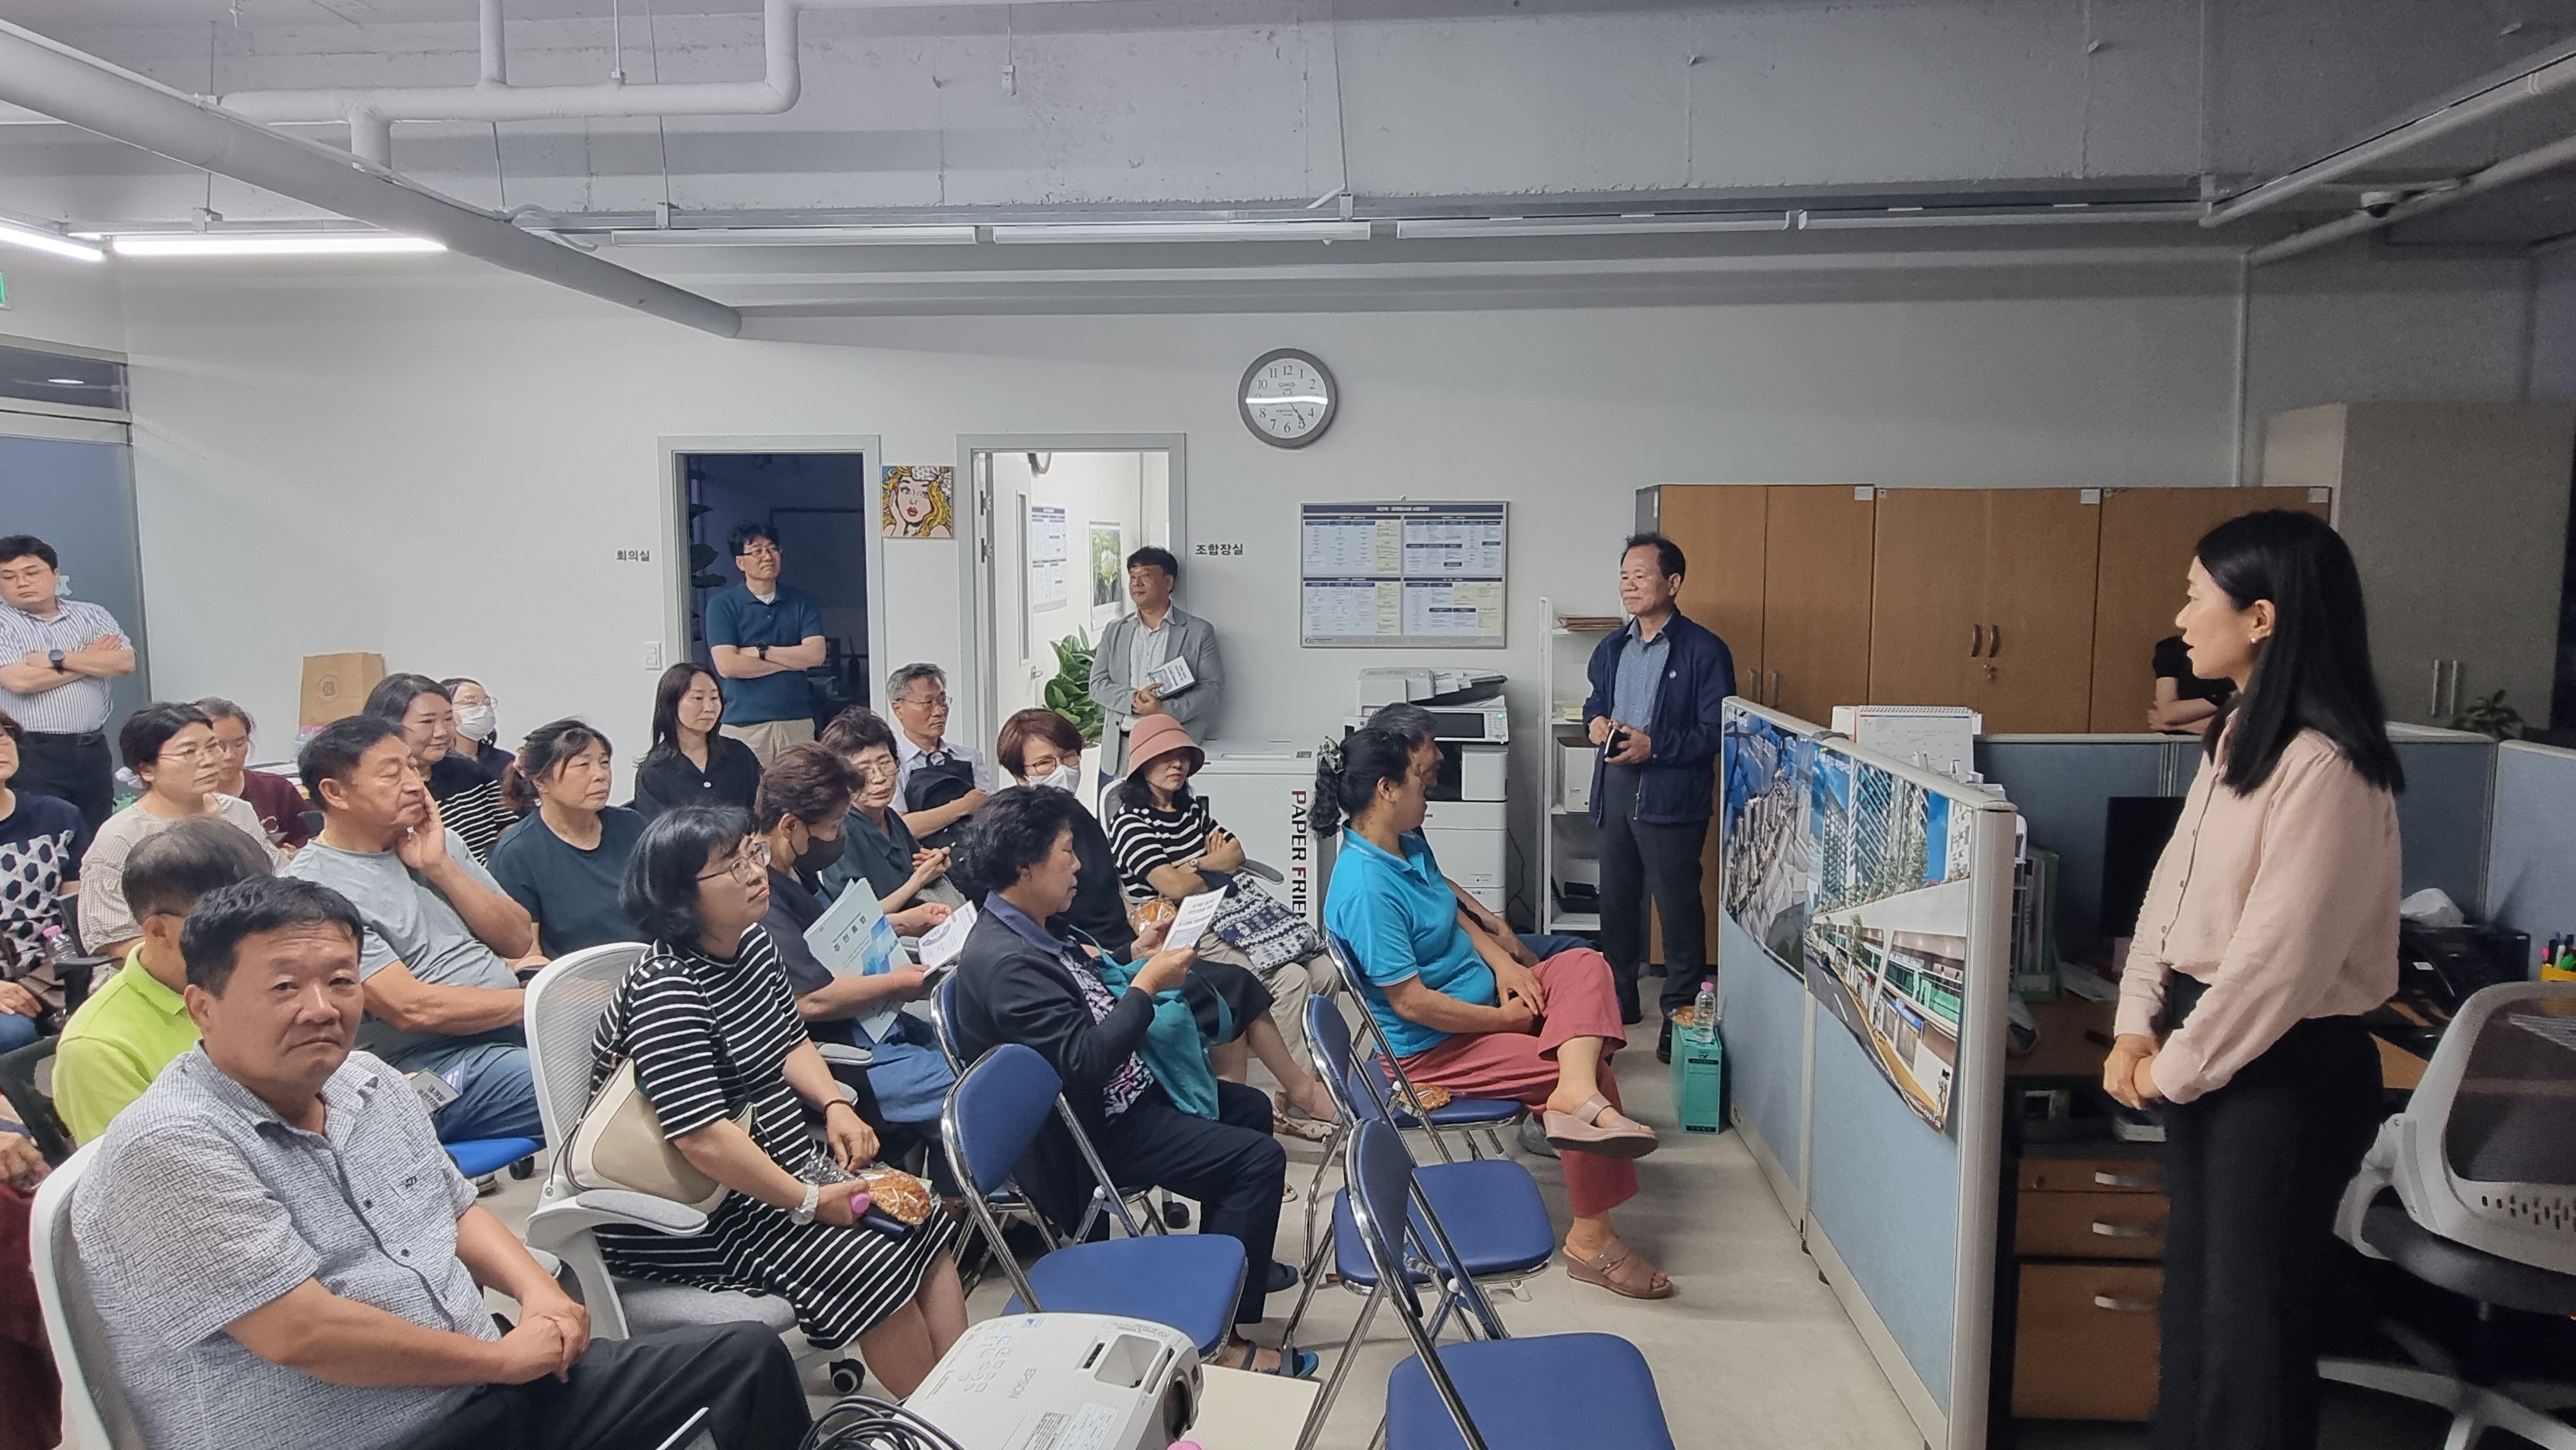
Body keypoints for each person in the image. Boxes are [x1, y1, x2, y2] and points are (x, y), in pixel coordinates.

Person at [70, 873, 811, 1450]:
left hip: (477, 1394)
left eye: (341, 979)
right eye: (285, 985)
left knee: (742, 1359)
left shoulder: (365, 1080)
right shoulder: (172, 1143)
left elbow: (454, 1207)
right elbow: (301, 1331)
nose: (321, 1006)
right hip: (366, 1433)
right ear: (203, 1005)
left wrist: (543, 1295)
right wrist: (497, 1361)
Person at [2102, 511, 2401, 1450]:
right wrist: (2134, 1019)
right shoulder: (2238, 734)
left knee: (2251, 1329)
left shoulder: (2327, 764)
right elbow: (2171, 889)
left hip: (2282, 1064)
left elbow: (2279, 962)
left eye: (2197, 595)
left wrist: (2173, 1068)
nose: (2182, 617)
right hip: (2210, 1043)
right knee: (2196, 1309)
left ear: (2261, 617)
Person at [594, 807, 969, 1397]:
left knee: (919, 1213)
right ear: (678, 895)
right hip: (704, 1208)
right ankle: (936, 1419)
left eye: (753, 853)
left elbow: (790, 1039)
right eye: (732, 866)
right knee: (870, 1259)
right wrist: (810, 1201)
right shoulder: (667, 989)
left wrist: (835, 1105)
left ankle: (965, 1400)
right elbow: (700, 1138)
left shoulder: (752, 945)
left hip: (785, 1166)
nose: (754, 872)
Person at [947, 786, 1311, 1377]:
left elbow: (1085, 990)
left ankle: (1234, 1268)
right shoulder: (1008, 963)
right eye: (1066, 852)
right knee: (1256, 1160)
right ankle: (1222, 1343)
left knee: (1247, 1110)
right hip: (1082, 1136)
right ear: (1024, 866)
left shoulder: (1030, 927)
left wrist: (1135, 955)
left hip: (1114, 1102)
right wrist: (1147, 986)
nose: (1078, 866)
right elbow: (1085, 1063)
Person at [1321, 727, 1672, 1301]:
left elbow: (1452, 912)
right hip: (1437, 1049)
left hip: (1488, 1002)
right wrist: (1505, 1022)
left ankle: (1573, 1095)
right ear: (1386, 789)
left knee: (1585, 965)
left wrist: (1504, 964)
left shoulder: (1405, 843)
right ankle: (1592, 1241)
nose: (1430, 789)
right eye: (1420, 779)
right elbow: (1411, 1003)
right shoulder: (1365, 888)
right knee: (1583, 1063)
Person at [1003, 708, 1339, 1142]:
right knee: (1244, 987)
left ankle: (1268, 1103)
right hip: (1109, 957)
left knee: (1286, 978)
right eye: (1046, 763)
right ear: (1020, 774)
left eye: (1069, 758)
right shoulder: (1045, 836)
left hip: (1140, 938)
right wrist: (1204, 866)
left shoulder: (1082, 817)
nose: (1063, 769)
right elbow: (1169, 885)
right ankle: (1292, 1096)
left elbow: (1226, 855)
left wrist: (1169, 892)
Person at [282, 715, 544, 1146]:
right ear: (335, 793)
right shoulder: (313, 890)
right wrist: (540, 1002)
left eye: (413, 767)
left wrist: (441, 868)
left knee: (647, 1049)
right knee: (576, 1079)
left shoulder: (436, 843)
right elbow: (412, 1009)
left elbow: (516, 940)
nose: (414, 784)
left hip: (510, 1028)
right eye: (392, 773)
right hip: (422, 1066)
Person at [1105, 713, 1331, 1126]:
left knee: (1324, 971)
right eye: (1165, 757)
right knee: (1292, 979)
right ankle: (1301, 1098)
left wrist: (1194, 866)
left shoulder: (1188, 810)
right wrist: (1207, 865)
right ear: (1141, 765)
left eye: (1183, 756)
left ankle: (1305, 1084)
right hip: (1182, 930)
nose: (1177, 764)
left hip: (1231, 916)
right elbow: (1172, 885)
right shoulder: (1130, 823)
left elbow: (1235, 853)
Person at [752, 743, 953, 1141]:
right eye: (832, 826)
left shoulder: (795, 871)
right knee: (974, 1090)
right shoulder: (762, 900)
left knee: (972, 1052)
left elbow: (828, 934)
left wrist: (899, 923)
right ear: (790, 826)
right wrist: (896, 983)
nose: (837, 836)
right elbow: (808, 1000)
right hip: (847, 1049)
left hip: (877, 1021)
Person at [1584, 531, 1736, 1046]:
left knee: (1677, 908)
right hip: (1616, 786)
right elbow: (1595, 701)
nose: (1629, 585)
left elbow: (1716, 730)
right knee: (1617, 902)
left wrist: (1656, 747)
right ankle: (1619, 998)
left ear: (1673, 583)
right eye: (1624, 576)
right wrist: (1595, 721)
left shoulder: (1704, 651)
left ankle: (1680, 1012)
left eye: (1640, 575)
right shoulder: (1612, 647)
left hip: (1672, 795)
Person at [52, 817, 274, 1143]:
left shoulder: (282, 983)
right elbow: (143, 1166)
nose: (259, 938)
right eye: (229, 925)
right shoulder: (97, 1048)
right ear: (158, 931)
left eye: (269, 916)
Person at [80, 701, 282, 963]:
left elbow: (277, 880)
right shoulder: (121, 835)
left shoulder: (238, 812)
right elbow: (114, 942)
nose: (210, 760)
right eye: (189, 752)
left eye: (212, 747)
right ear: (147, 769)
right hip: (160, 967)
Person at [0, 534, 135, 833]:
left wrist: (56, 659)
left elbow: (124, 663)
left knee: (97, 832)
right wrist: (90, 661)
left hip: (91, 748)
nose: (22, 583)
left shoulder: (92, 615)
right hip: (32, 751)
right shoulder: (3, 623)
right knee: (43, 832)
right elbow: (19, 681)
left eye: (31, 572)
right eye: (8, 577)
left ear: (55, 574)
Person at [486, 720, 647, 956]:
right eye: (583, 765)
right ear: (541, 781)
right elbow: (525, 955)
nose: (600, 775)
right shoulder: (517, 854)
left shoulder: (632, 825)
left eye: (604, 763)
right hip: (580, 974)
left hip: (656, 962)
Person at [1087, 546, 1225, 777]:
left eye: (1146, 576)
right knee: (1118, 802)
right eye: (1133, 577)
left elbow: (1212, 689)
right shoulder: (1115, 630)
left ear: (1168, 582)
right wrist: (1134, 700)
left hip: (1172, 746)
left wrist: (1163, 710)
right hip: (1122, 748)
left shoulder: (1198, 632)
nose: (1137, 584)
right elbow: (1097, 684)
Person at [704, 523, 826, 766]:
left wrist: (762, 652)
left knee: (801, 786)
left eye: (772, 549)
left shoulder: (802, 602)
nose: (767, 557)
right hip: (744, 724)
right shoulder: (722, 605)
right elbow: (728, 666)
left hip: (796, 719)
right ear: (740, 562)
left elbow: (816, 655)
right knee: (745, 788)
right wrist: (793, 662)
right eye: (757, 551)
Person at [0, 709, 86, 1056]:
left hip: (55, 969)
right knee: (12, 1035)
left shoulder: (58, 816)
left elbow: (78, 914)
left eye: (3, 735)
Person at [818, 706, 958, 911]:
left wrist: (934, 864)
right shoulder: (838, 832)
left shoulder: (890, 817)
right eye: (864, 769)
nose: (879, 777)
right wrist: (918, 881)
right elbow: (856, 916)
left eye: (885, 763)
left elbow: (917, 868)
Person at [366, 675, 514, 867]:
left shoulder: (470, 772)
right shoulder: (379, 790)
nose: (442, 732)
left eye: (448, 719)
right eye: (427, 722)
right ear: (389, 725)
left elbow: (506, 828)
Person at [630, 663, 762, 820]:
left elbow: (762, 811)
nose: (709, 707)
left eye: (714, 698)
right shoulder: (654, 772)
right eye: (698, 698)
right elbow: (656, 831)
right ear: (672, 704)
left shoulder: (740, 754)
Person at [885, 664, 992, 845]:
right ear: (898, 709)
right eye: (927, 703)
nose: (939, 711)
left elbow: (991, 813)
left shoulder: (969, 757)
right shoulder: (892, 764)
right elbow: (901, 828)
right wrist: (964, 805)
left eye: (942, 701)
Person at [196, 697, 314, 851]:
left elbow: (308, 838)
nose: (229, 755)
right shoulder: (184, 799)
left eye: (239, 744)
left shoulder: (276, 789)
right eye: (218, 746)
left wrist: (295, 853)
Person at [2148, 634, 2235, 735]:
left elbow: (2237, 723)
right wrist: (2227, 698)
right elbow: (2168, 713)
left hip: (2230, 741)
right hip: (2179, 741)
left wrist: (2174, 727)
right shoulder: (2171, 648)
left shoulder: (2239, 649)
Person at [443, 678, 516, 786]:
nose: (484, 710)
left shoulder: (505, 761)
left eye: (487, 703)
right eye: (471, 703)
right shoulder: (436, 764)